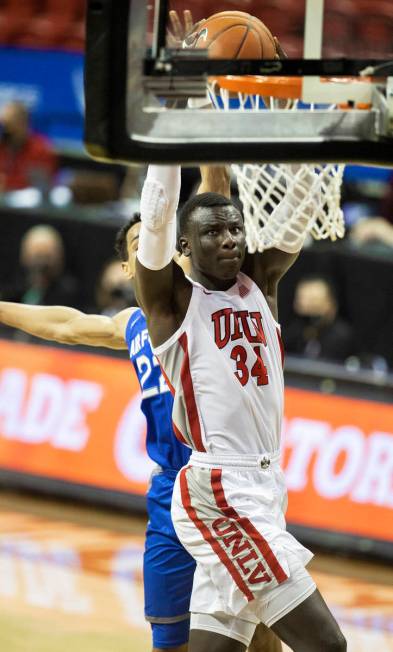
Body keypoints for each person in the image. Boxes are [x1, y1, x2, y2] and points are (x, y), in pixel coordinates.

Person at [0, 167, 282, 652]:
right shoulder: (132, 326)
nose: (153, 248)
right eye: (139, 246)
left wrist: (214, 161)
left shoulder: (202, 302)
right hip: (171, 492)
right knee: (170, 635)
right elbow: (64, 324)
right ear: (130, 269)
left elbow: (213, 193)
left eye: (164, 240)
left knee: (259, 627)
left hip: (229, 481)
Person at [134, 163, 347, 652]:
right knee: (327, 644)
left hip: (266, 487)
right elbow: (157, 215)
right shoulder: (171, 301)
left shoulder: (261, 284)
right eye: (212, 232)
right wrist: (164, 151)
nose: (230, 239)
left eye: (235, 229)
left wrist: (305, 156)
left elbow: (299, 211)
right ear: (183, 248)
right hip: (219, 492)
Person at [0, 225, 80, 311]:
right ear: (24, 256)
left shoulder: (67, 295)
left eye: (46, 256)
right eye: (36, 255)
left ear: (58, 258)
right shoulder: (13, 288)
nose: (40, 263)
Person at [283, 274, 354, 363]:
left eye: (314, 302)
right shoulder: (294, 333)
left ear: (330, 305)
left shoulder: (340, 337)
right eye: (302, 302)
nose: (308, 310)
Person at [0, 101, 58, 192]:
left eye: (9, 125)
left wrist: (7, 183)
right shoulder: (3, 145)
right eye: (4, 126)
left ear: (23, 124)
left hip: (28, 200)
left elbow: (42, 186)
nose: (6, 131)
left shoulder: (41, 148)